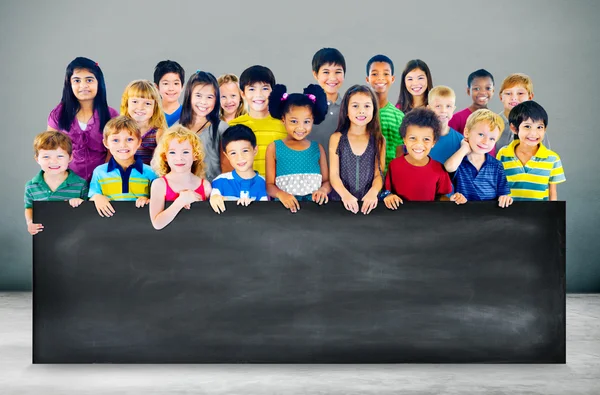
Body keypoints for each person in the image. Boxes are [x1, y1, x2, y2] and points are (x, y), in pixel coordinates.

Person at [47, 57, 119, 181]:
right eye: (77, 80)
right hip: (66, 183)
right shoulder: (58, 114)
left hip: (102, 182)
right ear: (69, 84)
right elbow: (50, 149)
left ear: (99, 83)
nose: (83, 86)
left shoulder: (111, 115)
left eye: (89, 80)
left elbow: (113, 152)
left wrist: (102, 178)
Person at [265, 84, 331, 212]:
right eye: (294, 121)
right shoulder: (274, 148)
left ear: (313, 120)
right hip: (284, 210)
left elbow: (327, 181)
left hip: (315, 210)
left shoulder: (317, 148)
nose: (301, 128)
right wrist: (281, 195)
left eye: (306, 121)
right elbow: (269, 185)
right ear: (283, 119)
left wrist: (323, 190)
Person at [382, 108, 457, 209]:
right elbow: (386, 192)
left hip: (428, 221)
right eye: (413, 138)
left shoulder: (439, 169)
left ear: (433, 142)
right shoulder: (394, 165)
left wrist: (453, 200)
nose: (419, 144)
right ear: (404, 140)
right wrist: (389, 196)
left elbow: (441, 197)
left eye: (426, 139)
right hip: (399, 221)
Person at [329, 85, 386, 215]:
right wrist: (345, 195)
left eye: (367, 106)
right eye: (355, 106)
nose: (361, 111)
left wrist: (373, 193)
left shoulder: (379, 140)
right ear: (346, 111)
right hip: (340, 202)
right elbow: (334, 175)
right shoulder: (337, 138)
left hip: (369, 204)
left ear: (374, 109)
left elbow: (379, 174)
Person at [88, 116, 157, 217]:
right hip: (110, 224)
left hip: (140, 222)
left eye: (129, 139)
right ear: (106, 143)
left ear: (139, 142)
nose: (122, 145)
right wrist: (97, 197)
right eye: (115, 140)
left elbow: (159, 199)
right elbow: (92, 195)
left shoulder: (151, 172)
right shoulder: (99, 172)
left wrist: (148, 200)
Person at [496, 101, 565, 201]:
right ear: (514, 128)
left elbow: (552, 192)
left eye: (539, 127)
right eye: (527, 126)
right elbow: (498, 184)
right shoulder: (503, 154)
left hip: (539, 214)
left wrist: (552, 214)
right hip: (508, 214)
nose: (533, 133)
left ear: (545, 129)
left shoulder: (552, 159)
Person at [444, 109, 512, 207]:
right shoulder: (459, 161)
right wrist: (464, 149)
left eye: (492, 139)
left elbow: (503, 194)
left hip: (489, 216)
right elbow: (449, 167)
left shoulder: (497, 165)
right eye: (481, 134)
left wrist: (504, 197)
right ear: (467, 132)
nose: (485, 142)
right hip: (463, 215)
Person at [24, 131, 88, 235]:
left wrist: (80, 202)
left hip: (75, 237)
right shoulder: (31, 186)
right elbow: (29, 207)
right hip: (45, 238)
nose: (53, 161)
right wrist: (30, 222)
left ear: (70, 157)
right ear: (37, 159)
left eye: (60, 156)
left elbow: (88, 212)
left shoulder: (80, 184)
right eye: (46, 157)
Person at [228, 65, 287, 177]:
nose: (258, 95)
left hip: (279, 190)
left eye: (265, 88)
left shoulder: (284, 124)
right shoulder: (234, 126)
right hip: (246, 191)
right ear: (243, 94)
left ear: (272, 92)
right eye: (251, 89)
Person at [149, 125, 212, 229]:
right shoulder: (159, 184)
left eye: (185, 152)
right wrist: (181, 201)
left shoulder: (205, 186)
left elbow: (208, 219)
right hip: (170, 242)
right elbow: (157, 223)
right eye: (172, 152)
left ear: (195, 155)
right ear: (165, 156)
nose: (179, 158)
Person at [179, 70, 228, 182]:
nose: (203, 102)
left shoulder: (222, 129)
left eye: (209, 97)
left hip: (215, 194)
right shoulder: (176, 128)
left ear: (216, 100)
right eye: (198, 95)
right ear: (189, 95)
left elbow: (228, 170)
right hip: (183, 191)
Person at [210, 125, 269, 214]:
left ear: (255, 150)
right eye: (233, 153)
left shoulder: (264, 183)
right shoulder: (220, 181)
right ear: (226, 156)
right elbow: (214, 198)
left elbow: (265, 211)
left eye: (245, 151)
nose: (240, 157)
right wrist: (214, 198)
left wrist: (253, 206)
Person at [366, 54, 404, 171]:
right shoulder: (359, 113)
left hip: (389, 180)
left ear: (392, 79)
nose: (380, 78)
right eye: (374, 74)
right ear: (367, 79)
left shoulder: (399, 116)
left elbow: (400, 154)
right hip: (363, 179)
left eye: (386, 74)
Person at [309, 48, 346, 163]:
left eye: (338, 72)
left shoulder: (349, 109)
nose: (332, 78)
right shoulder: (306, 108)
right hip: (311, 176)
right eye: (326, 72)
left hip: (341, 177)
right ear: (315, 74)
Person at [495, 73, 549, 153]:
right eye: (508, 93)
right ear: (501, 97)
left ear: (530, 97)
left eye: (520, 93)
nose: (514, 98)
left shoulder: (537, 128)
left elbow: (545, 156)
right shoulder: (492, 123)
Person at [120, 79, 167, 165]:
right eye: (135, 101)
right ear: (127, 104)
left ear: (155, 107)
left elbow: (162, 164)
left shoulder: (158, 134)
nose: (140, 107)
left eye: (147, 103)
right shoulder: (119, 131)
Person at [448, 69, 495, 134]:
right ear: (468, 91)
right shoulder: (457, 119)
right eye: (476, 88)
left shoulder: (495, 119)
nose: (482, 92)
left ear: (493, 91)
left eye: (488, 88)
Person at [427, 86, 463, 165]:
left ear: (453, 109)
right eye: (438, 106)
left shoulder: (460, 140)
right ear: (429, 109)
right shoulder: (420, 137)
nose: (443, 111)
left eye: (448, 106)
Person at [153, 60, 185, 127]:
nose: (171, 88)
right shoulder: (150, 112)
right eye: (165, 83)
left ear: (182, 87)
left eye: (176, 83)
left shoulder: (188, 114)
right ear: (157, 87)